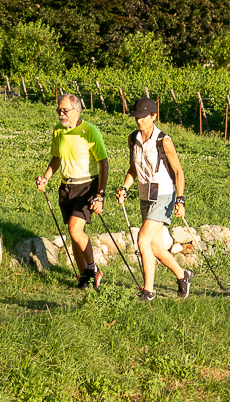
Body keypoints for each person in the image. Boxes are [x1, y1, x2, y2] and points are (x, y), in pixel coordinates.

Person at [116, 97, 193, 302]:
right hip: (145, 195)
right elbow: (133, 169)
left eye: (143, 117)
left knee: (143, 240)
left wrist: (180, 200)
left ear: (153, 116)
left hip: (164, 195)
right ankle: (183, 275)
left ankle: (148, 291)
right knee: (156, 247)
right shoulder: (133, 139)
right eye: (136, 117)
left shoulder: (163, 141)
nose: (139, 120)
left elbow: (179, 172)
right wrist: (124, 188)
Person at [36, 93, 109, 289]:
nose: (61, 114)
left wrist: (100, 194)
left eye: (65, 110)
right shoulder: (58, 130)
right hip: (66, 187)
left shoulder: (89, 131)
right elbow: (56, 158)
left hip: (87, 186)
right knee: (75, 235)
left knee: (75, 230)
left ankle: (94, 270)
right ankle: (84, 276)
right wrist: (46, 178)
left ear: (77, 110)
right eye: (59, 110)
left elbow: (103, 163)